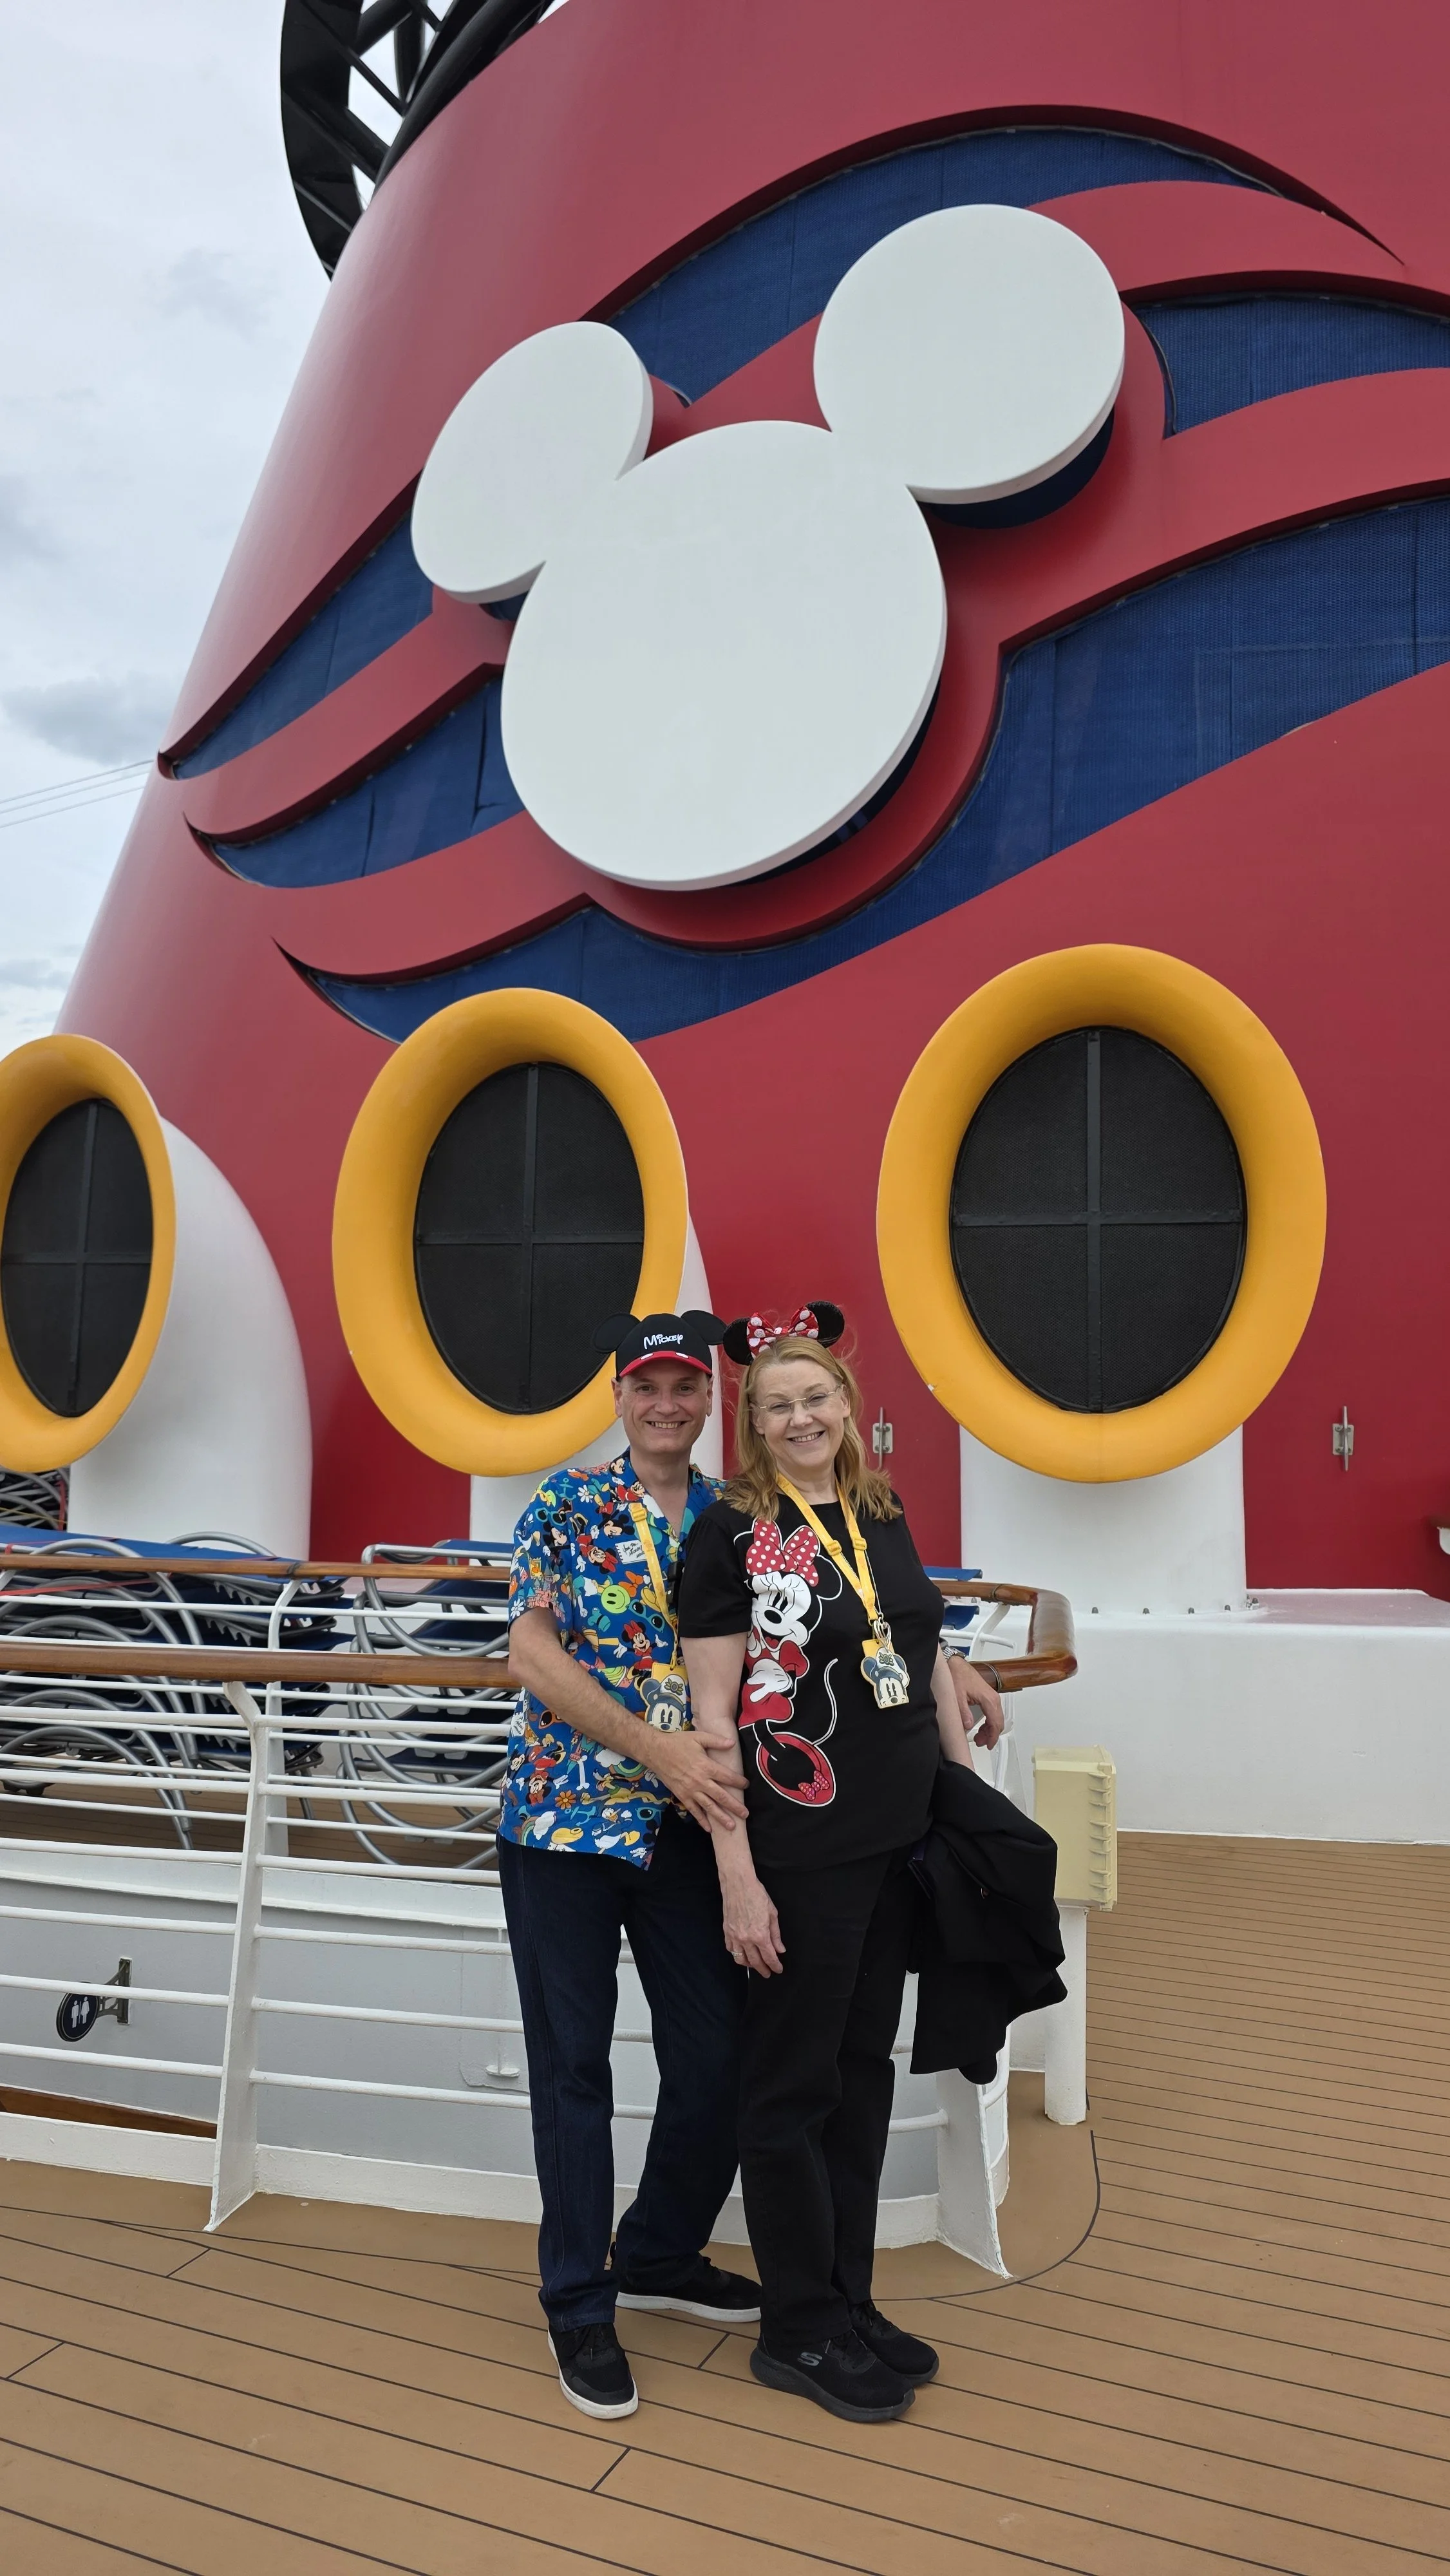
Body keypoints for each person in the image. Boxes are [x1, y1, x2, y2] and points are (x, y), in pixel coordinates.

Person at [677, 1302, 1004, 2425]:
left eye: (818, 1397)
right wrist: (737, 1872)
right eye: (778, 1405)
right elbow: (712, 1713)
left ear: (848, 1409)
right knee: (790, 2089)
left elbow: (915, 1640)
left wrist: (959, 1788)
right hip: (798, 1849)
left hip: (895, 1840)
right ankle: (798, 2330)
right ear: (754, 1425)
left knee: (860, 2078)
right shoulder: (728, 1534)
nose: (802, 1415)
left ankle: (847, 2301)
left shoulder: (877, 1505)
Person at [502, 1310, 762, 2421]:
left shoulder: (738, 1517)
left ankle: (656, 2249)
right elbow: (530, 1651)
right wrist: (657, 1745)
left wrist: (948, 1666)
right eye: (646, 1386)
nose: (666, 1404)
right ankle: (579, 2302)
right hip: (563, 1828)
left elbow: (831, 1620)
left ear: (710, 1400)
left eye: (685, 1387)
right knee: (575, 2074)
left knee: (719, 2058)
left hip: (685, 1834)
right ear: (619, 1396)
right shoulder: (564, 1503)